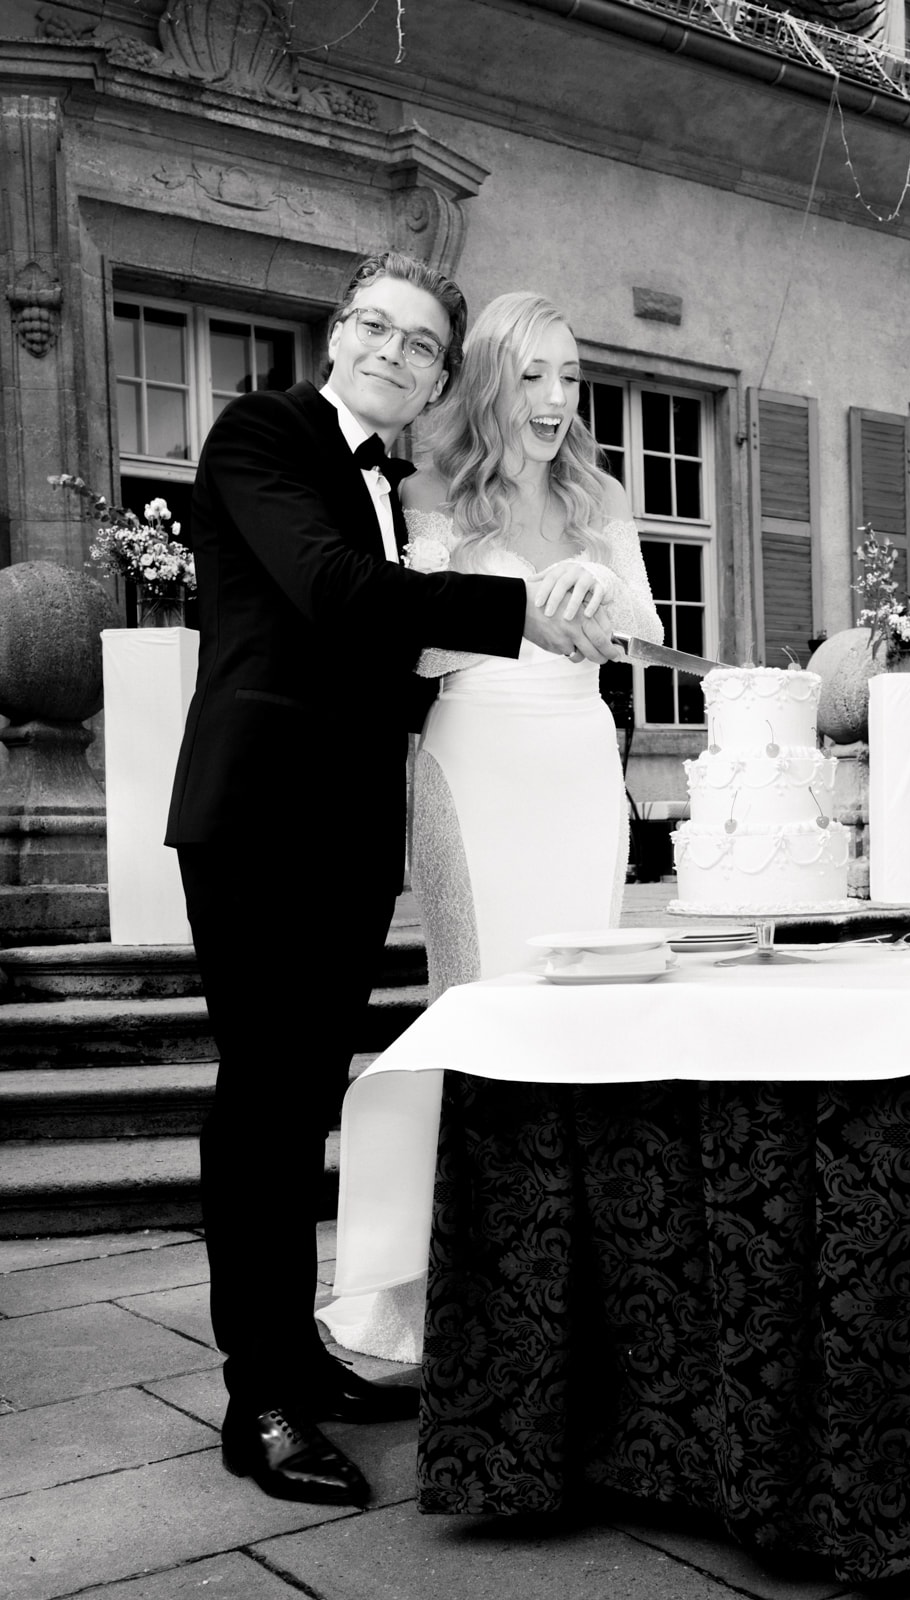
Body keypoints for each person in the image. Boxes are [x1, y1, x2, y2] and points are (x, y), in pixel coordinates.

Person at [164, 254, 621, 1511]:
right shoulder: (265, 431)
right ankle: (256, 1396)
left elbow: (386, 659)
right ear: (337, 334)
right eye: (375, 325)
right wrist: (522, 611)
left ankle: (300, 1353)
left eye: (420, 342)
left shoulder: (387, 477)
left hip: (351, 827)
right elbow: (336, 594)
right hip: (259, 818)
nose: (393, 350)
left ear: (433, 376)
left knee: (306, 1090)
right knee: (262, 1102)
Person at [315, 289, 664, 1361]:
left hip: (575, 772)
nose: (558, 398)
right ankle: (456, 1291)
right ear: (490, 380)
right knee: (478, 1017)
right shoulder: (425, 488)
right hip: (471, 764)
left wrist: (598, 582)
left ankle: (566, 1282)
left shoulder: (598, 491)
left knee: (575, 1024)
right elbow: (404, 648)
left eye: (572, 376)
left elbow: (644, 639)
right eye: (534, 375)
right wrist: (514, 609)